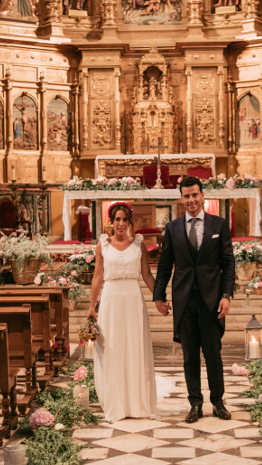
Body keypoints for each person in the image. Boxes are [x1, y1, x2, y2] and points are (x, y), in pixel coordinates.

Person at [154, 177, 235, 423]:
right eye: (186, 196)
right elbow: (165, 265)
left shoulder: (219, 225)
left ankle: (218, 402)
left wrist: (226, 295)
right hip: (184, 299)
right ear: (181, 199)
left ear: (203, 196)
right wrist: (159, 295)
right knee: (189, 356)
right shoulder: (173, 228)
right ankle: (195, 404)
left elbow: (228, 262)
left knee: (213, 354)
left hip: (211, 300)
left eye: (195, 195)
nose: (191, 200)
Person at [88, 202, 162, 422]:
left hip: (132, 298)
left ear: (131, 223)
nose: (121, 224)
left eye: (125, 220)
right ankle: (115, 402)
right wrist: (92, 306)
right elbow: (98, 277)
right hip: (111, 299)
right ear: (111, 221)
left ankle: (137, 402)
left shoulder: (139, 245)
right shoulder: (103, 245)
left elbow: (147, 275)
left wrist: (160, 298)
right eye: (117, 219)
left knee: (134, 346)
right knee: (112, 349)